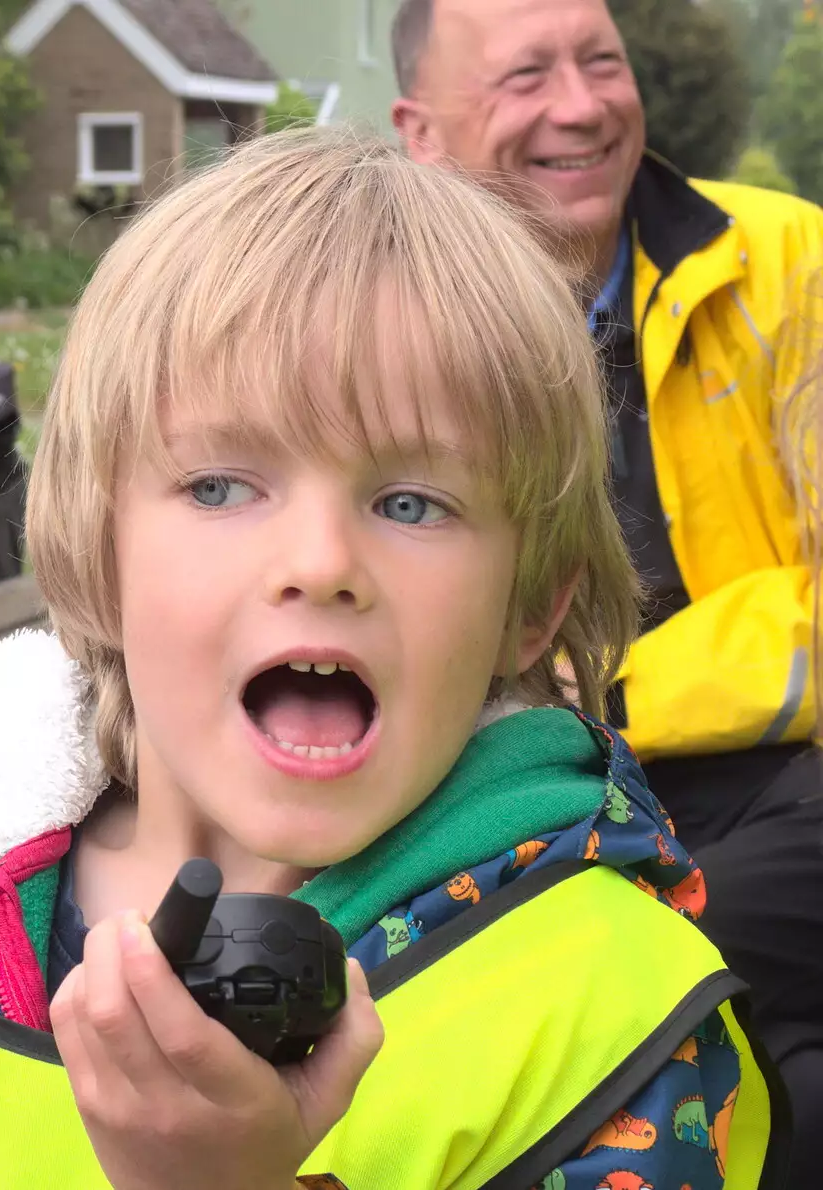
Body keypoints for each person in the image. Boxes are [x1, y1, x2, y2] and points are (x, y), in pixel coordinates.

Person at [0, 129, 781, 1190]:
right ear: (99, 543)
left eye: (410, 500)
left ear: (529, 610)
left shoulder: (607, 1005)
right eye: (221, 485)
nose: (321, 561)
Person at [389, 0, 822, 1174]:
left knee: (661, 964)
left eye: (600, 63)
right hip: (500, 795)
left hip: (776, 785)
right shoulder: (372, 333)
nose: (580, 105)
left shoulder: (788, 266)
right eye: (525, 75)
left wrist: (617, 684)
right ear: (416, 130)